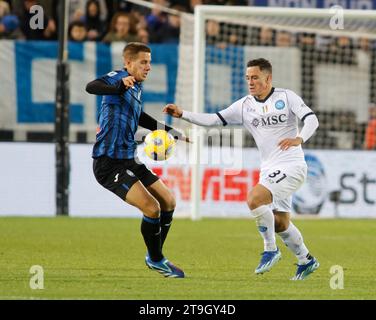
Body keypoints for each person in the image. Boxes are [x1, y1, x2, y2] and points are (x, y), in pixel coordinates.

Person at [163, 58, 320, 280]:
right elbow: (213, 120)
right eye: (248, 78)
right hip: (269, 169)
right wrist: (183, 114)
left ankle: (270, 250)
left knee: (255, 199)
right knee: (280, 223)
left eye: (255, 77)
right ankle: (306, 260)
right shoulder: (244, 105)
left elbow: (312, 119)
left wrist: (299, 138)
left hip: (293, 165)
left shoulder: (286, 97)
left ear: (268, 77)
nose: (250, 82)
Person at [86, 42, 189, 278]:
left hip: (129, 158)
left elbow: (139, 116)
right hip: (107, 162)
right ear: (128, 63)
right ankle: (156, 259)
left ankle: (155, 255)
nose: (148, 67)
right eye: (143, 62)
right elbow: (91, 86)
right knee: (151, 208)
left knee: (169, 201)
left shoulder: (137, 87)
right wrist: (119, 85)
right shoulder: (118, 78)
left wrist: (173, 132)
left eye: (149, 62)